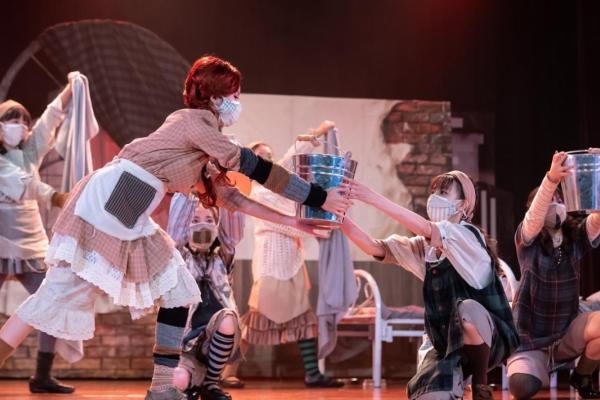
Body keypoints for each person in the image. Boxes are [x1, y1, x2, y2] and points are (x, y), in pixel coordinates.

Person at [0, 55, 350, 400]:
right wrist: (319, 197)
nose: (237, 102)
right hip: (115, 199)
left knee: (179, 290)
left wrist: (295, 220)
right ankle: (162, 388)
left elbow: (233, 198)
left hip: (130, 206)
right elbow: (254, 166)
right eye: (234, 95)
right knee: (53, 295)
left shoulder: (201, 140)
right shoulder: (192, 122)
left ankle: (163, 387)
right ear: (215, 97)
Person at [342, 171, 518, 400]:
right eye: (433, 192)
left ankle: (480, 383)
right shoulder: (425, 248)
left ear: (462, 205)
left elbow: (427, 228)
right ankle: (452, 381)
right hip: (445, 341)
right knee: (430, 396)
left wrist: (371, 197)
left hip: (488, 336)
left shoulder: (468, 235)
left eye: (443, 192)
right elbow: (373, 247)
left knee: (467, 309)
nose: (434, 197)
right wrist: (337, 217)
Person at [240, 122, 343, 388]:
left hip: (294, 263)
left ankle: (312, 374)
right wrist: (312, 230)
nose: (267, 160)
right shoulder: (257, 193)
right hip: (270, 265)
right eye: (260, 157)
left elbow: (292, 154)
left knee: (303, 318)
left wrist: (317, 132)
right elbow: (281, 224)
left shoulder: (280, 184)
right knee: (257, 319)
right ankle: (223, 370)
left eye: (269, 156)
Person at [507, 151, 600, 399]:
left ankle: (582, 375)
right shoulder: (526, 239)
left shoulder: (575, 237)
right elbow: (534, 219)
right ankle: (537, 369)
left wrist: (596, 176)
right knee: (522, 387)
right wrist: (550, 180)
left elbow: (597, 219)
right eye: (549, 199)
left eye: (559, 198)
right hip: (530, 338)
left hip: (567, 331)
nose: (554, 203)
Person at [0, 88, 74, 393]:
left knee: (51, 300)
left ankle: (42, 375)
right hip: (1, 241)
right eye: (12, 120)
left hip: (31, 243)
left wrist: (71, 88)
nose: (19, 125)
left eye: (23, 121)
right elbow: (27, 184)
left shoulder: (30, 153)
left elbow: (49, 120)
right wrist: (56, 197)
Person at [167, 192, 246, 400]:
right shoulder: (179, 257)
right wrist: (191, 187)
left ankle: (210, 384)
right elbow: (175, 231)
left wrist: (220, 190)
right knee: (178, 380)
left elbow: (233, 230)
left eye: (209, 220)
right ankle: (193, 384)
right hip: (186, 344)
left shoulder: (223, 256)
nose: (202, 225)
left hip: (214, 337)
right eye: (195, 220)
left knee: (227, 318)